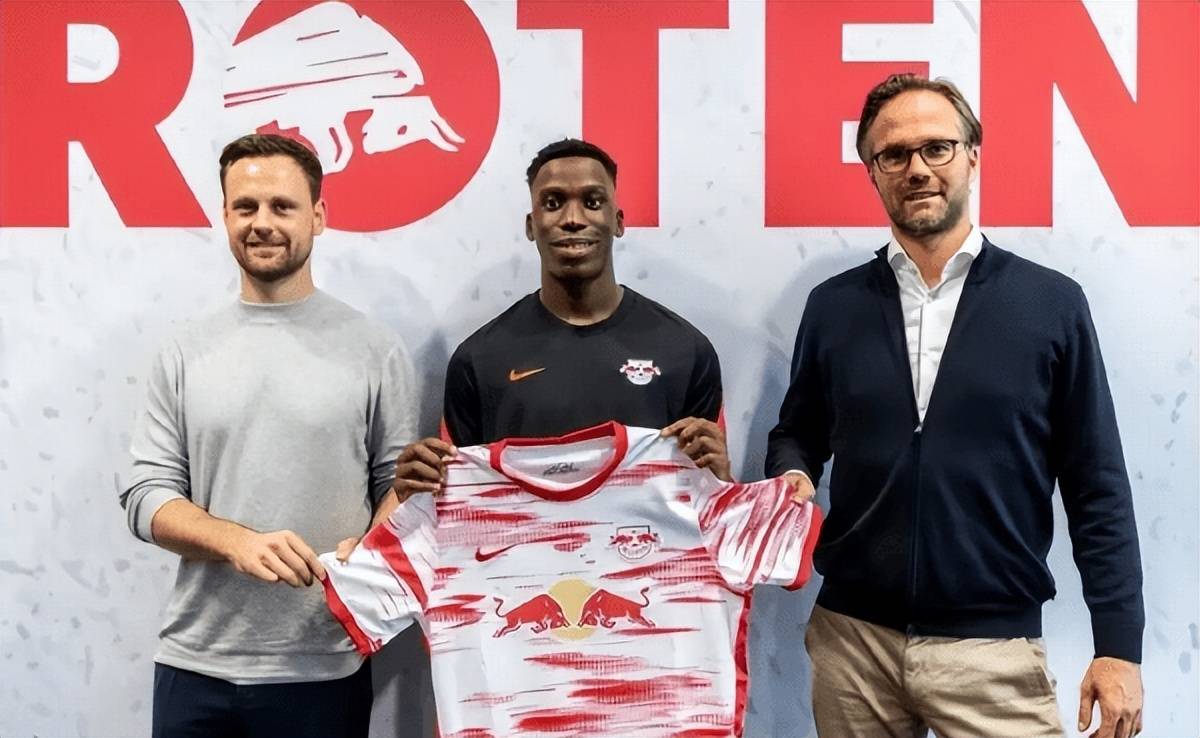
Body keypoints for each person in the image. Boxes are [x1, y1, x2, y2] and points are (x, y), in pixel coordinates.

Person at [766, 74, 1144, 738]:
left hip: (993, 653)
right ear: (872, 172)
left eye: (936, 147)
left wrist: (1118, 646)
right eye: (894, 154)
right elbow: (797, 432)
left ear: (973, 154)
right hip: (853, 646)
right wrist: (791, 473)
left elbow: (1097, 484)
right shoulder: (833, 307)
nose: (917, 168)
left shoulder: (1051, 306)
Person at [119, 134, 415, 738]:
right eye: (245, 207)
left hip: (324, 664)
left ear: (318, 216)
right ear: (225, 215)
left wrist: (375, 544)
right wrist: (237, 542)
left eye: (282, 206)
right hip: (194, 666)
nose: (262, 223)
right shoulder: (183, 350)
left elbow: (401, 487)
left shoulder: (374, 348)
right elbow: (145, 498)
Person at [338, 138, 732, 558]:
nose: (573, 219)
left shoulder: (684, 350)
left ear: (617, 221)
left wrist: (722, 478)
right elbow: (453, 506)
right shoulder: (480, 360)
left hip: (644, 580)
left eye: (592, 202)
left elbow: (714, 504)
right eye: (554, 203)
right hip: (518, 581)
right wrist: (387, 528)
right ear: (531, 225)